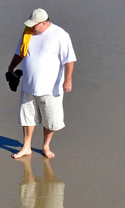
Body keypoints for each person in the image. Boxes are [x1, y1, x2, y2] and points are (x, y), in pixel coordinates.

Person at [6, 8, 76, 159]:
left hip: (50, 88)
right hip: (28, 86)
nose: (31, 27)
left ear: (44, 23)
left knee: (50, 119)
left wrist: (68, 80)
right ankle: (26, 147)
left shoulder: (60, 35)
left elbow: (69, 60)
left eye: (34, 25)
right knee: (27, 118)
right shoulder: (28, 33)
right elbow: (20, 53)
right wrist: (11, 67)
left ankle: (46, 146)